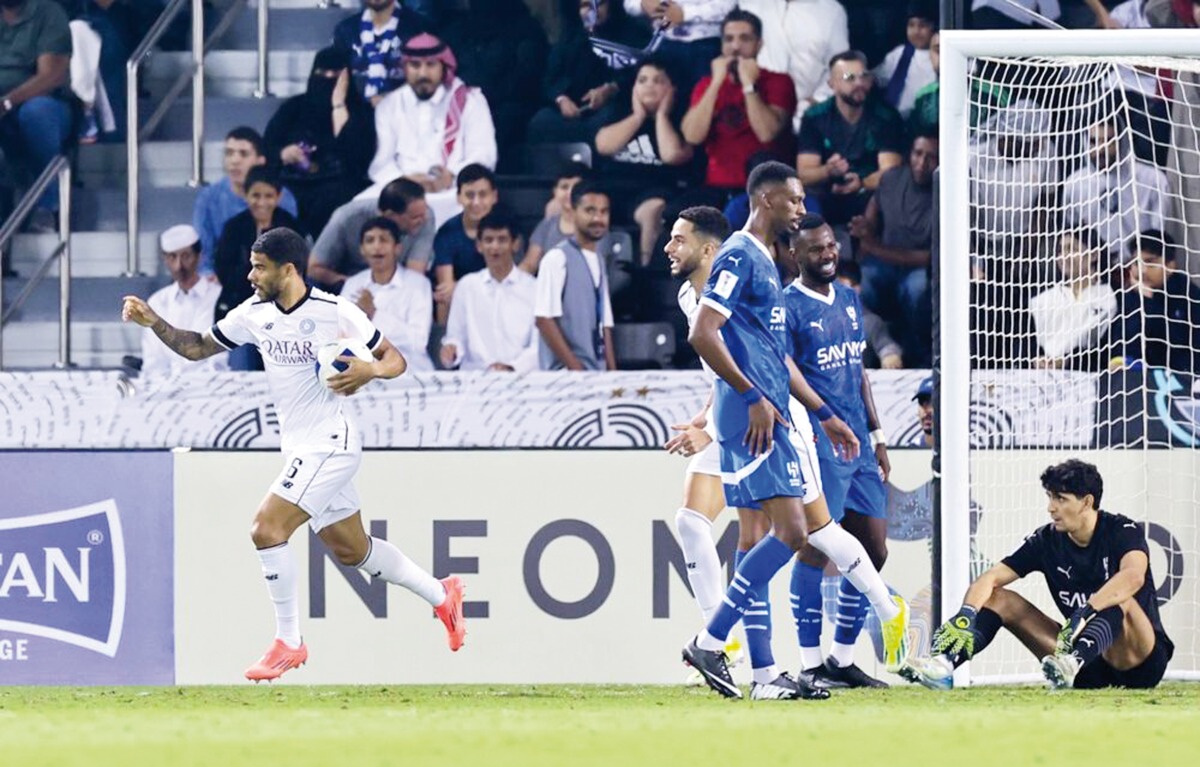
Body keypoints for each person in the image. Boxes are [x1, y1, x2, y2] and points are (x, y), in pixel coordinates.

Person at [121, 227, 466, 681]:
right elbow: (196, 347)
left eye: (259, 267)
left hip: (332, 443)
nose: (250, 275)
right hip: (302, 448)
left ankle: (289, 641)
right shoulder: (253, 314)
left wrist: (369, 369)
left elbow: (395, 360)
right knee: (354, 551)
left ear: (288, 269)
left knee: (266, 528)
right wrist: (154, 322)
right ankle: (442, 594)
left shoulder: (335, 311)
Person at [680, 160, 908, 701]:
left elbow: (774, 356)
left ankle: (758, 670)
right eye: (794, 201)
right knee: (786, 535)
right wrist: (754, 397)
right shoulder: (738, 254)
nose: (801, 210)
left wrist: (823, 413)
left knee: (789, 533)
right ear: (765, 201)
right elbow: (702, 332)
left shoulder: (763, 261)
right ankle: (713, 642)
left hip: (775, 414)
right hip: (752, 417)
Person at [902, 459, 1174, 690]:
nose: (1051, 508)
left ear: (1086, 502)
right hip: (1083, 665)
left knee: (1119, 596)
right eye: (1050, 497)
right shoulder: (1046, 540)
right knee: (999, 598)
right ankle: (944, 666)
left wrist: (1086, 611)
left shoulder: (1121, 530)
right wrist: (966, 614)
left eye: (1060, 499)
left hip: (1140, 662)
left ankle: (1071, 663)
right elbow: (990, 578)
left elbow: (1133, 577)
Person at [662, 205, 784, 691]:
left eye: (678, 239)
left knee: (806, 533)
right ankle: (720, 647)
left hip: (762, 421)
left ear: (709, 249)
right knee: (692, 523)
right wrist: (705, 415)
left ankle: (885, 607)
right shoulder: (686, 296)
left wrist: (709, 432)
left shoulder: (736, 292)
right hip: (731, 417)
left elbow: (754, 364)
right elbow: (721, 373)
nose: (669, 248)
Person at [784, 215, 893, 690]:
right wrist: (823, 417)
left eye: (830, 246)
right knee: (813, 549)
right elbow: (787, 372)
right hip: (818, 443)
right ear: (795, 254)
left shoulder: (849, 298)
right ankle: (810, 663)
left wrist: (878, 434)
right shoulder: (786, 306)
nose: (827, 254)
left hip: (859, 446)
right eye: (815, 249)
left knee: (874, 548)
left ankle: (841, 659)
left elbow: (860, 371)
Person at [360, 32, 497, 228]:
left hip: (452, 190)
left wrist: (453, 175)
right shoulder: (389, 105)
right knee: (359, 207)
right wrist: (406, 182)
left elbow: (484, 154)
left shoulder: (470, 101)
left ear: (443, 66)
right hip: (402, 189)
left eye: (431, 65)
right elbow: (382, 163)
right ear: (405, 68)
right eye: (415, 65)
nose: (423, 73)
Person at [681, 9, 797, 198]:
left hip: (765, 190)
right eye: (729, 39)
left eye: (745, 39)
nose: (735, 46)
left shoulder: (779, 81)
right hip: (716, 187)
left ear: (759, 45)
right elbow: (692, 136)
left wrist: (749, 85)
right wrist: (716, 83)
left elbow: (766, 133)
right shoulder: (706, 85)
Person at [263, 46, 376, 236]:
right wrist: (283, 154)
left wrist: (338, 105)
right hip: (294, 183)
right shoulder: (294, 108)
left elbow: (357, 155)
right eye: (322, 73)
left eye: (336, 74)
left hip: (339, 186)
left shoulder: (361, 112)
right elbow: (267, 146)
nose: (328, 78)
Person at [848, 132, 938, 368]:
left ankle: (921, 355)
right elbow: (875, 205)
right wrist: (866, 228)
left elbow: (927, 257)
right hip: (883, 263)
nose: (922, 163)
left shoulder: (945, 192)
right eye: (918, 154)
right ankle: (866, 354)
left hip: (918, 267)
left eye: (931, 157)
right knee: (862, 283)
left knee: (917, 289)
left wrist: (873, 247)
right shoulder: (892, 178)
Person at [594, 56, 694, 264]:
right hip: (609, 189)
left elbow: (672, 155)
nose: (649, 86)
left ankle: (645, 269)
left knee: (654, 210)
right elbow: (603, 146)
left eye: (657, 81)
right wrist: (638, 117)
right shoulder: (620, 112)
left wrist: (661, 116)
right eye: (642, 80)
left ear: (672, 88)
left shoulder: (681, 119)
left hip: (652, 191)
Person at [797, 50, 906, 228]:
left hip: (869, 193)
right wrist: (828, 170)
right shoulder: (815, 117)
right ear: (831, 84)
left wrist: (862, 183)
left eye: (863, 77)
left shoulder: (886, 117)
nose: (859, 83)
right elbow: (804, 174)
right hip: (826, 193)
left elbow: (890, 172)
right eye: (849, 77)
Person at [0, 0, 73, 233]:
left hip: (42, 103)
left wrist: (7, 102)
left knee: (38, 111)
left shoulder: (48, 12)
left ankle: (48, 205)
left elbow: (51, 76)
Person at [439, 210, 539, 372]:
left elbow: (539, 344)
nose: (494, 247)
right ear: (479, 245)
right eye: (488, 240)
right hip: (474, 378)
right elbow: (456, 336)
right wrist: (451, 350)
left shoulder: (534, 288)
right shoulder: (467, 286)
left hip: (519, 378)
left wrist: (512, 367)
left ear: (515, 244)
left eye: (502, 240)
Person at [534, 180, 618, 371]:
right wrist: (575, 368)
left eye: (604, 212)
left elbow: (605, 325)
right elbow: (544, 319)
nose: (598, 218)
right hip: (566, 377)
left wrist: (613, 373)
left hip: (595, 372)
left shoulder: (598, 260)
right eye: (590, 211)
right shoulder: (556, 258)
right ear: (572, 211)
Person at [1061, 115, 1170, 262]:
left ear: (1122, 141)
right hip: (1093, 272)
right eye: (1093, 141)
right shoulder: (1075, 183)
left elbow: (1160, 236)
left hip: (1139, 271)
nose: (1100, 149)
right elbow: (1071, 235)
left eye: (1108, 140)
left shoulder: (1152, 180)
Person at [193, 127, 299, 268]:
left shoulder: (282, 196)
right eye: (229, 153)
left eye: (243, 154)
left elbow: (290, 249)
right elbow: (203, 252)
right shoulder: (208, 198)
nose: (234, 160)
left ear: (260, 161)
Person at [737, 0, 849, 128]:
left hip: (806, 115)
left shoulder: (832, 11)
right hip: (752, 108)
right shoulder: (750, 4)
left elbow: (842, 67)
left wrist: (818, 99)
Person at [342, 217, 434, 371]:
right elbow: (342, 335)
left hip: (409, 367)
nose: (376, 247)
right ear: (362, 249)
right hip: (363, 368)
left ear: (397, 248)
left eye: (383, 240)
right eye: (370, 241)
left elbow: (419, 341)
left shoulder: (418, 284)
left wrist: (374, 314)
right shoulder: (353, 284)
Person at [308, 177, 435, 289]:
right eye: (415, 217)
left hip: (399, 288)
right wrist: (353, 286)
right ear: (390, 215)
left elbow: (415, 274)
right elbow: (313, 268)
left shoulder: (424, 216)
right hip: (347, 285)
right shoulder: (346, 218)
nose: (423, 220)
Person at [1109, 230, 1200, 375]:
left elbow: (1178, 345)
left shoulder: (1189, 294)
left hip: (1184, 377)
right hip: (1139, 378)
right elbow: (1122, 344)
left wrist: (1149, 301)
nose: (1142, 270)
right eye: (1136, 263)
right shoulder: (1129, 295)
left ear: (1170, 265)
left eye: (1150, 263)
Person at [139, 224, 225, 377]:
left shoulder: (218, 297)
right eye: (172, 257)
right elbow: (153, 361)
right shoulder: (157, 302)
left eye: (185, 256)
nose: (179, 265)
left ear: (199, 256)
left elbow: (218, 360)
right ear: (165, 259)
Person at [1029, 228, 1118, 371]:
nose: (1064, 256)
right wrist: (1035, 358)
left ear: (1094, 255)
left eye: (1072, 249)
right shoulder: (1041, 299)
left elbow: (1108, 347)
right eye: (1060, 251)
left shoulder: (1111, 297)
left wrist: (1068, 361)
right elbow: (1026, 344)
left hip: (1088, 376)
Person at [524, 165, 619, 275]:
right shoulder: (547, 225)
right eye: (564, 187)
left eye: (576, 187)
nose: (570, 193)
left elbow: (593, 271)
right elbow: (530, 264)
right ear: (555, 192)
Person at [432, 163, 498, 321]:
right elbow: (446, 285)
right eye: (469, 195)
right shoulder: (446, 232)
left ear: (494, 196)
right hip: (460, 300)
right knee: (443, 297)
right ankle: (444, 341)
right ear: (458, 197)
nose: (476, 202)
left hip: (496, 291)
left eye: (483, 195)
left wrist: (464, 286)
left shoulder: (506, 227)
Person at [624, 0, 733, 96]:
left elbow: (728, 6)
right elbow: (629, 4)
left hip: (706, 46)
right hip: (663, 43)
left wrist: (685, 13)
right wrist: (642, 3)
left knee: (703, 101)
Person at [332, 0, 427, 105]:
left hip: (408, 112)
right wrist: (339, 107)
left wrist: (389, 99)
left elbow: (429, 77)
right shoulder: (346, 30)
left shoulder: (419, 27)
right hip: (357, 114)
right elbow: (338, 77)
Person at [872, 1, 937, 120]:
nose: (916, 31)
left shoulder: (943, 54)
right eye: (911, 25)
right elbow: (876, 78)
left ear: (933, 27)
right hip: (899, 121)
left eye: (922, 26)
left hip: (930, 121)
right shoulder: (899, 54)